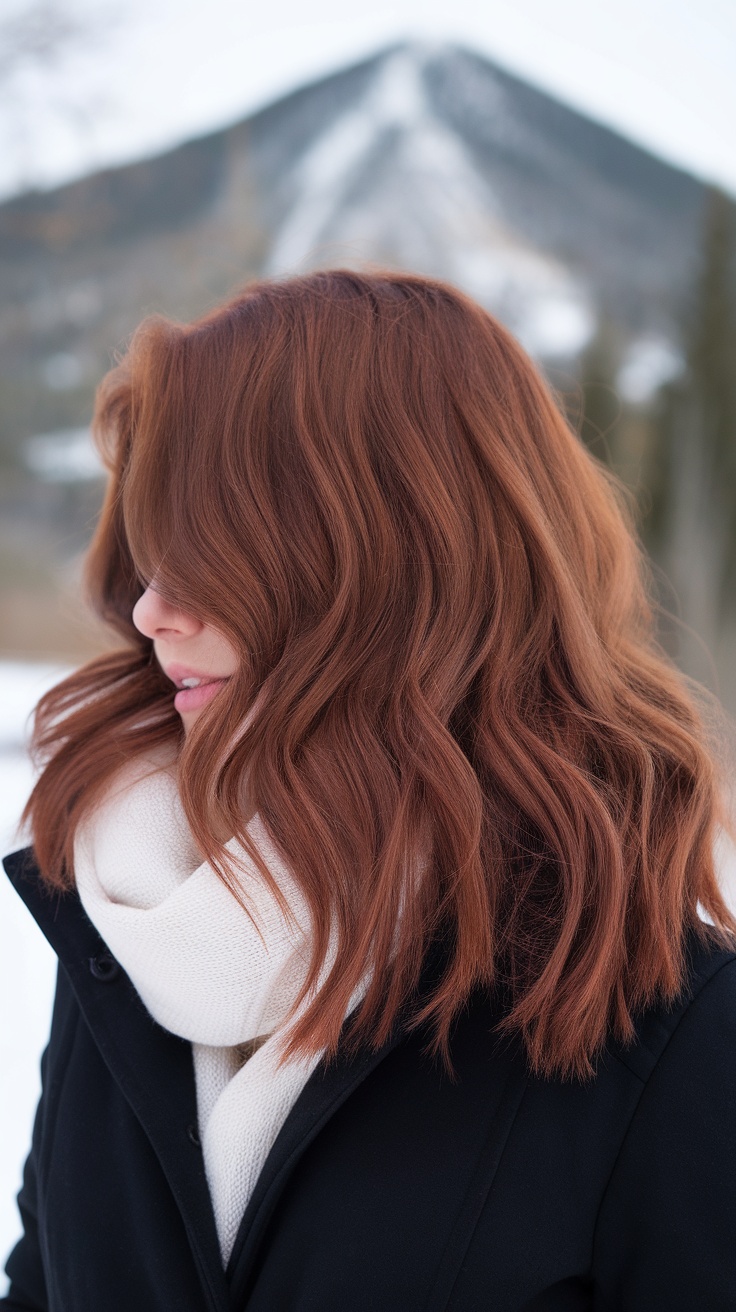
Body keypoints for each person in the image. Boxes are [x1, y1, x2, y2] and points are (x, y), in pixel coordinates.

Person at [2, 269, 736, 1312]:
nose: (152, 604)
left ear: (389, 563)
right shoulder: (124, 936)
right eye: (153, 545)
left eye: (210, 546)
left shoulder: (661, 1030)